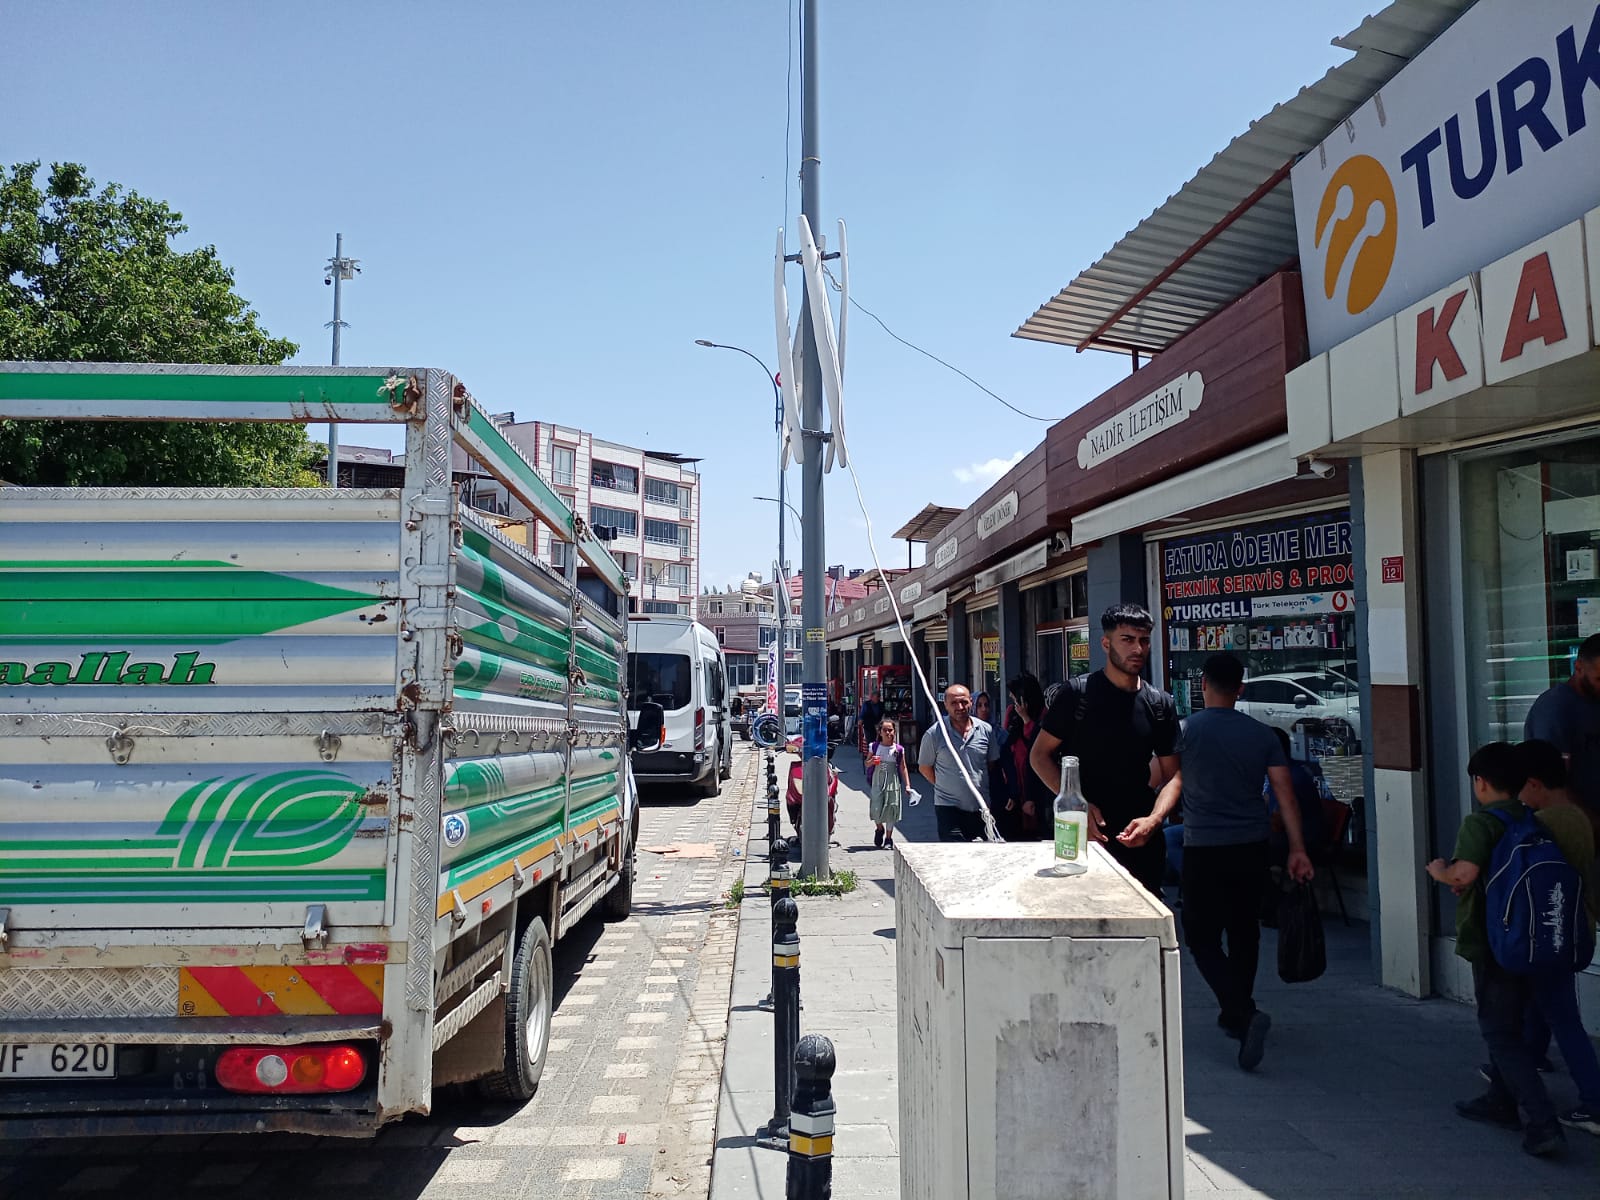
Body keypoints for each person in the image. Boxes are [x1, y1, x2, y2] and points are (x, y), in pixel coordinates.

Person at [1137, 655, 1314, 1070]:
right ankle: (1240, 1009)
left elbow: (1156, 778)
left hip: (1204, 846)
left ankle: (1240, 1011)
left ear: (1202, 686)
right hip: (1252, 845)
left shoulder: (1186, 732)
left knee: (1200, 936)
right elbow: (1285, 795)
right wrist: (1297, 848)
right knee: (1244, 931)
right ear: (1241, 689)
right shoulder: (1262, 735)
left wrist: (1153, 817)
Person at [1426, 742, 1566, 1158]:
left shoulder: (1481, 823)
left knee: (1499, 1032)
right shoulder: (1531, 818)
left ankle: (1542, 1121)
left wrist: (1440, 871)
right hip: (1534, 938)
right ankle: (1501, 1101)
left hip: (1495, 940)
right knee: (1513, 1023)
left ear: (1480, 783)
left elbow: (1464, 874)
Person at [1476, 739, 1600, 1137]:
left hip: (1546, 930)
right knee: (1541, 1011)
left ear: (1532, 783)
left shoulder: (1547, 823)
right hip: (1567, 927)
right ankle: (1517, 1071)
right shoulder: (1577, 816)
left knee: (1562, 1017)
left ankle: (1594, 1100)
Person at [1030, 603, 1181, 893]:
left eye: (1144, 641)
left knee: (1142, 925)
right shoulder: (1077, 694)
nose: (1137, 648)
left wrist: (1155, 818)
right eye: (1127, 640)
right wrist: (1077, 805)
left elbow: (1174, 776)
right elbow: (1039, 755)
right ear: (1106, 643)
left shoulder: (1159, 703)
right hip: (1080, 834)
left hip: (1140, 837)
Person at [1524, 633, 1600, 835]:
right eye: (1599, 679)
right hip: (1578, 831)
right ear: (1578, 667)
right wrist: (1591, 824)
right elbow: (1552, 786)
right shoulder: (1555, 710)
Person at [918, 683, 1000, 841]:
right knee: (955, 854)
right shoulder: (934, 734)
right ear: (946, 705)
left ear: (971, 702)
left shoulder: (985, 730)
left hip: (980, 807)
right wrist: (945, 784)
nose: (960, 707)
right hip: (948, 808)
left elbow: (990, 764)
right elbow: (924, 767)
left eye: (964, 702)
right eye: (954, 703)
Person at [999, 673, 1051, 840]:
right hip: (1015, 774)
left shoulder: (1042, 714)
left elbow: (1037, 743)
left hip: (1035, 776)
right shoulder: (1011, 712)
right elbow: (1006, 742)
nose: (1013, 703)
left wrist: (1026, 718)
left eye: (1015, 699)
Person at [867, 718, 911, 850]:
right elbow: (867, 763)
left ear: (894, 731)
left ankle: (888, 838)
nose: (888, 733)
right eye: (885, 730)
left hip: (893, 781)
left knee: (891, 808)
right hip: (878, 780)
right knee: (876, 807)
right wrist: (872, 761)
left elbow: (903, 767)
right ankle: (879, 828)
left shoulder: (898, 749)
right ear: (879, 732)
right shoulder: (874, 747)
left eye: (890, 730)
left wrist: (908, 785)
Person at [858, 690, 883, 761]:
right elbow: (862, 714)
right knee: (870, 742)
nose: (876, 700)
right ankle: (870, 757)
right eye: (874, 698)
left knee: (879, 741)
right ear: (871, 698)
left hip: (878, 726)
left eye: (877, 698)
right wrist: (860, 720)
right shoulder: (866, 704)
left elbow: (883, 714)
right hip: (868, 726)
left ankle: (878, 755)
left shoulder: (881, 705)